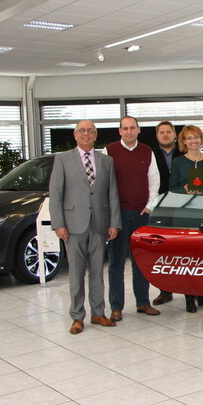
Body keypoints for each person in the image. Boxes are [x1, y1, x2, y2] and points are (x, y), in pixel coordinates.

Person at [49, 120, 120, 334]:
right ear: (75, 134)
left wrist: (114, 222)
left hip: (99, 224)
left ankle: (98, 313)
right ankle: (77, 317)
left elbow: (112, 193)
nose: (86, 134)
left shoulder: (106, 161)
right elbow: (56, 195)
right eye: (82, 130)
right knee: (76, 274)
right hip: (73, 226)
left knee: (97, 272)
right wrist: (58, 224)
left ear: (96, 135)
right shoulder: (62, 159)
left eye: (90, 131)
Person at [103, 116, 161, 321]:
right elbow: (103, 184)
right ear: (119, 131)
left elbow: (154, 181)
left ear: (139, 130)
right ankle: (116, 307)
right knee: (116, 262)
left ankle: (143, 303)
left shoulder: (147, 151)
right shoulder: (108, 151)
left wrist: (149, 206)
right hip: (117, 215)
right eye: (124, 128)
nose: (128, 132)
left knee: (140, 261)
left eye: (132, 128)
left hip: (141, 214)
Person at [169, 125, 203, 313]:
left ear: (201, 139)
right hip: (185, 213)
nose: (193, 141)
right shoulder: (178, 162)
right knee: (188, 256)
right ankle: (189, 297)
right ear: (183, 141)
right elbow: (172, 188)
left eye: (196, 137)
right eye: (189, 138)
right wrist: (185, 189)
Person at [151, 121, 182, 306]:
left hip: (183, 206)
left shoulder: (184, 152)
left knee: (185, 249)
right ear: (157, 135)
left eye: (168, 132)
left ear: (174, 134)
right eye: (161, 132)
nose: (165, 135)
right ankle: (165, 290)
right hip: (160, 206)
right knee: (163, 250)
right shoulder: (151, 155)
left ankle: (192, 291)